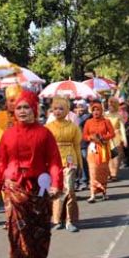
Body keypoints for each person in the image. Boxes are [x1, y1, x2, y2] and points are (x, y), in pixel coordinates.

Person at [0, 90, 63, 258]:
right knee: (16, 230)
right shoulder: (8, 135)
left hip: (39, 189)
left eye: (26, 107)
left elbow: (55, 161)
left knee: (39, 230)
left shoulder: (44, 133)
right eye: (19, 107)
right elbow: (0, 162)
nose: (22, 111)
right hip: (13, 188)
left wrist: (56, 183)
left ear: (34, 110)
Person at [46, 96, 82, 233]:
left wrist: (79, 164)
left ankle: (70, 220)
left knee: (69, 189)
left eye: (61, 108)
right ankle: (57, 219)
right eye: (55, 109)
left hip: (69, 159)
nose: (58, 111)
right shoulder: (48, 127)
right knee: (56, 190)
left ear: (67, 110)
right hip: (53, 161)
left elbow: (77, 146)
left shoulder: (73, 127)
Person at [83, 101, 116, 203]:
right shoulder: (88, 122)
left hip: (103, 149)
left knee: (103, 171)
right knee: (93, 171)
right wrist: (91, 137)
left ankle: (103, 192)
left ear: (101, 111)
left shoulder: (106, 121)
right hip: (92, 149)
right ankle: (92, 194)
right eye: (94, 110)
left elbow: (112, 134)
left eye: (98, 110)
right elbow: (84, 135)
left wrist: (103, 138)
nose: (96, 112)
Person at [105, 98, 126, 183]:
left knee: (116, 156)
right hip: (107, 136)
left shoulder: (119, 115)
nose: (111, 107)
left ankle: (114, 174)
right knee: (109, 156)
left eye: (113, 106)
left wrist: (124, 139)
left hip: (117, 136)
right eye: (109, 105)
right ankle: (109, 173)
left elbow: (122, 128)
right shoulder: (105, 115)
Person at [74, 100, 92, 190]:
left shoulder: (88, 116)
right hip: (75, 143)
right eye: (78, 107)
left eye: (82, 107)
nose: (80, 109)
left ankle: (85, 180)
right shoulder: (74, 116)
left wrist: (76, 116)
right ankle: (77, 181)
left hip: (85, 143)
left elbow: (79, 123)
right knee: (76, 163)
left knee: (85, 162)